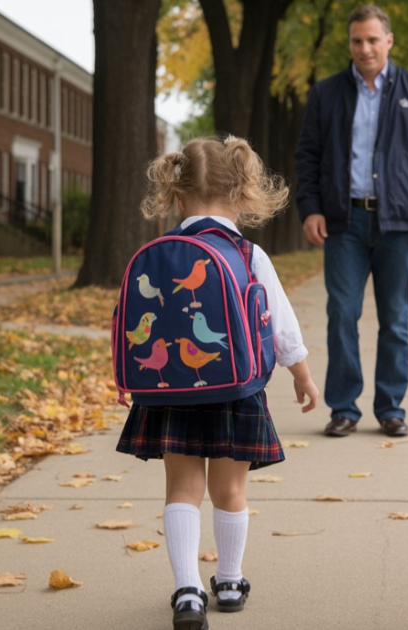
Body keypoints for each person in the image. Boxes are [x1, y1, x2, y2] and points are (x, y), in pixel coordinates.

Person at [116, 136, 320, 630]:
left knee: (182, 490)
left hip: (170, 393)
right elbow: (280, 324)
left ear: (178, 197)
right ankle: (228, 581)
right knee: (230, 491)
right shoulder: (248, 254)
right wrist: (302, 375)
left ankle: (187, 591)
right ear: (242, 196)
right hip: (235, 390)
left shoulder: (158, 253)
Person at [295, 4, 408, 438]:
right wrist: (310, 207)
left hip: (399, 226)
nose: (363, 48)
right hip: (343, 224)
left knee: (395, 319)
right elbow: (307, 157)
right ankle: (344, 407)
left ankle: (390, 408)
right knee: (342, 315)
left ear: (388, 41)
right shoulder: (325, 94)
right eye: (356, 41)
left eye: (371, 39)